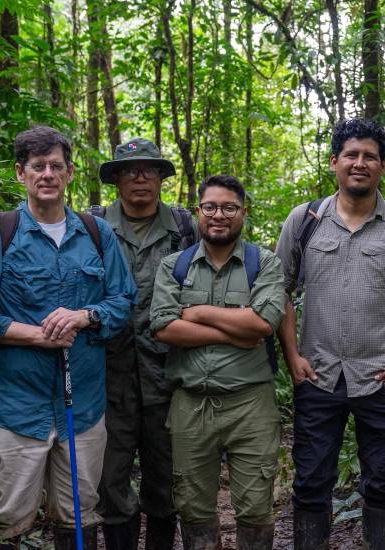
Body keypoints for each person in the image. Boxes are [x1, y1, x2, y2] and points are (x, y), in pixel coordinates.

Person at [0, 126, 136, 549]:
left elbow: (122, 300)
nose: (47, 174)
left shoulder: (96, 232)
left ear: (70, 173)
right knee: (4, 520)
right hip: (13, 407)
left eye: (56, 166)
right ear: (21, 173)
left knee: (79, 515)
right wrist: (36, 336)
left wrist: (84, 316)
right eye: (38, 167)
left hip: (83, 407)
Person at [275, 118, 385, 550]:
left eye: (369, 156)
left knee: (382, 483)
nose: (360, 163)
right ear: (334, 162)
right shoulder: (305, 220)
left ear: (382, 166)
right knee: (312, 481)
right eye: (351, 154)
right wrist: (293, 356)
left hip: (382, 376)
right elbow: (278, 293)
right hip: (319, 375)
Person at [150, 175, 286, 550]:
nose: (219, 215)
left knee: (256, 505)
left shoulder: (265, 263)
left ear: (243, 213)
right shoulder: (174, 267)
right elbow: (163, 327)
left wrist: (194, 312)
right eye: (210, 207)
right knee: (193, 506)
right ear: (198, 212)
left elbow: (264, 323)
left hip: (250, 403)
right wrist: (235, 332)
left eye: (229, 207)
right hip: (190, 403)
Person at [94, 137, 198, 549]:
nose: (140, 177)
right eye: (130, 170)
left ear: (160, 178)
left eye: (149, 169)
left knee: (166, 483)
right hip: (107, 379)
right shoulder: (94, 226)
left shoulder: (186, 228)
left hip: (169, 379)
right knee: (110, 482)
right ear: (116, 179)